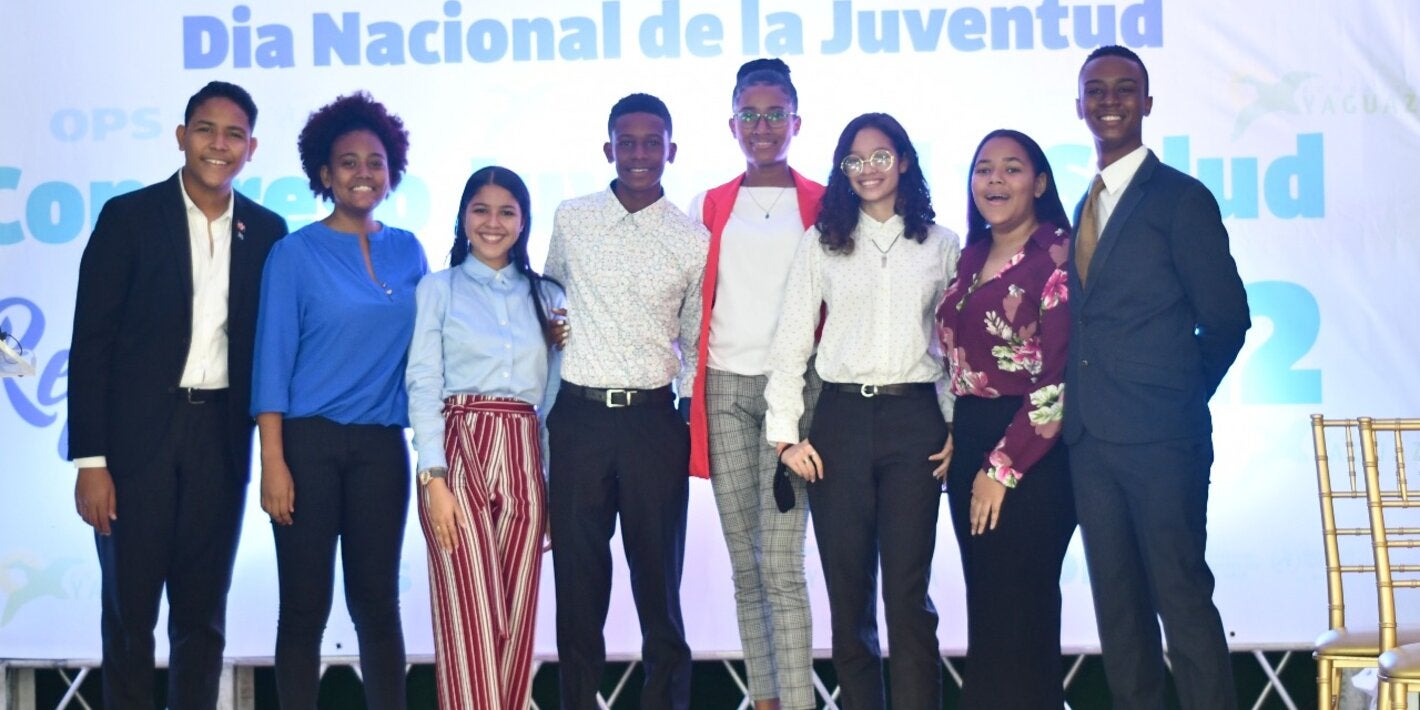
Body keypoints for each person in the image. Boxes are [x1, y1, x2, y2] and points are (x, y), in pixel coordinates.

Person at [68, 80, 287, 709]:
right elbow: (92, 347)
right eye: (206, 130)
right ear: (181, 136)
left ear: (251, 148)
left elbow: (272, 348)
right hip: (135, 448)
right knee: (129, 621)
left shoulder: (268, 231)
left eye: (234, 134)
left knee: (202, 619)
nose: (219, 145)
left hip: (220, 441)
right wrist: (91, 462)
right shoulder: (128, 218)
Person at [1066, 45, 1251, 710]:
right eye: (1096, 89)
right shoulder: (1082, 202)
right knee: (1119, 614)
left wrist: (1173, 397)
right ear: (1079, 104)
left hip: (1162, 442)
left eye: (1124, 88)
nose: (1109, 100)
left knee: (1180, 599)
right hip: (1090, 442)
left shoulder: (1181, 198)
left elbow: (1227, 318)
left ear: (1147, 103)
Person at [767, 112, 959, 710]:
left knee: (907, 597)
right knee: (848, 598)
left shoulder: (941, 243)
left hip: (915, 426)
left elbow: (953, 347)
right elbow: (792, 340)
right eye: (855, 160)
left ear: (904, 160)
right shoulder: (823, 241)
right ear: (842, 171)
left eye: (881, 156)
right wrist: (783, 436)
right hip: (840, 424)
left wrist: (954, 425)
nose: (868, 169)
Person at [251, 91, 428, 710]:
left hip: (382, 446)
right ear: (324, 175)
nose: (362, 173)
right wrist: (273, 462)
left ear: (391, 171)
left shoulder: (409, 250)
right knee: (303, 604)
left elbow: (428, 354)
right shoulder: (294, 254)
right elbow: (271, 362)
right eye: (347, 162)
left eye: (374, 162)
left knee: (378, 603)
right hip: (307, 445)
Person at [543, 92, 708, 710]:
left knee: (658, 585)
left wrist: (685, 411)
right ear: (608, 147)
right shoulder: (572, 217)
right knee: (579, 585)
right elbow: (551, 298)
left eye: (652, 141)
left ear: (671, 149)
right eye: (627, 141)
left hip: (650, 422)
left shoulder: (693, 239)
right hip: (579, 419)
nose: (640, 153)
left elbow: (694, 339)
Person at [684, 58, 825, 710]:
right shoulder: (710, 204)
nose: (762, 126)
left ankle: (798, 702)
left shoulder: (824, 203)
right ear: (732, 121)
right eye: (750, 113)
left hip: (792, 398)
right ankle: (765, 698)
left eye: (775, 114)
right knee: (746, 567)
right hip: (722, 389)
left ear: (796, 120)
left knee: (782, 566)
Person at [405, 166, 564, 709]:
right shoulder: (438, 288)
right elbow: (423, 381)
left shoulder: (547, 295)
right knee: (469, 618)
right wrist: (433, 477)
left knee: (515, 623)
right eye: (481, 209)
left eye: (506, 211)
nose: (492, 223)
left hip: (523, 450)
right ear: (462, 217)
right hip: (459, 446)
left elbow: (554, 399)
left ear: (523, 222)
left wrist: (547, 482)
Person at [935, 129, 1076, 709]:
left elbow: (1055, 384)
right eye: (984, 169)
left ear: (1040, 183)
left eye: (1012, 169)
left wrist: (1001, 468)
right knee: (989, 612)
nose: (995, 180)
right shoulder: (970, 256)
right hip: (970, 441)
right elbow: (956, 361)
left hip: (1030, 457)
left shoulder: (1060, 257)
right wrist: (952, 431)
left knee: (1025, 615)